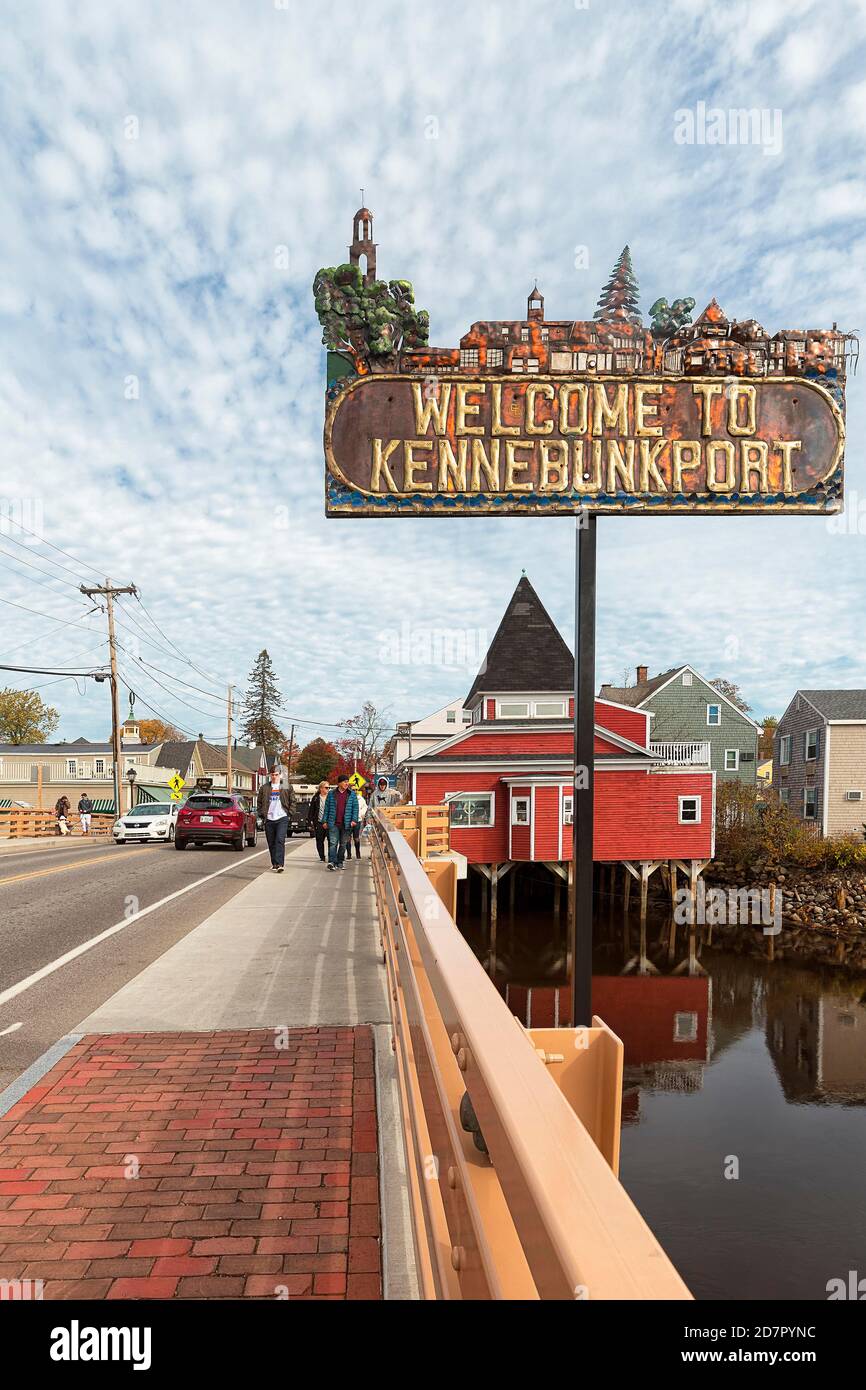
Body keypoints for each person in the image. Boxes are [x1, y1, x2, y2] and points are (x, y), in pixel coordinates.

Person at [257, 766, 292, 872]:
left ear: (280, 775)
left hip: (282, 817)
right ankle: (275, 863)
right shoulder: (264, 788)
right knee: (271, 842)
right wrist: (262, 814)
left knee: (280, 840)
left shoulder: (286, 787)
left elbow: (293, 801)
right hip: (269, 818)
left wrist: (289, 813)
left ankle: (280, 863)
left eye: (276, 774)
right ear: (270, 775)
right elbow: (259, 803)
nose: (274, 777)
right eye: (272, 775)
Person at [323, 774, 359, 871]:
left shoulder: (352, 794)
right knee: (333, 843)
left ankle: (339, 862)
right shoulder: (331, 794)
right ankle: (331, 862)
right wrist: (324, 821)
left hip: (346, 824)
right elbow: (326, 808)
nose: (347, 783)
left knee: (343, 844)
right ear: (339, 783)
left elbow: (355, 809)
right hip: (333, 823)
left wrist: (354, 820)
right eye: (344, 782)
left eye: (347, 782)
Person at [307, 780, 330, 863]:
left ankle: (331, 856)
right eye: (326, 787)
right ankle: (322, 857)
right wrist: (310, 822)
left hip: (329, 822)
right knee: (319, 841)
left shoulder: (330, 797)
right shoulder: (316, 798)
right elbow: (311, 811)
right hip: (319, 822)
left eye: (329, 788)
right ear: (321, 788)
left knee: (331, 840)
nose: (328, 789)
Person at [346, 786, 368, 858]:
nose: (355, 791)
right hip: (348, 820)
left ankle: (358, 854)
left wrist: (361, 813)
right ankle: (349, 855)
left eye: (356, 790)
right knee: (348, 838)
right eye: (353, 790)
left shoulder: (360, 799)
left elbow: (365, 807)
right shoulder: (347, 798)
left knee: (356, 838)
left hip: (357, 820)